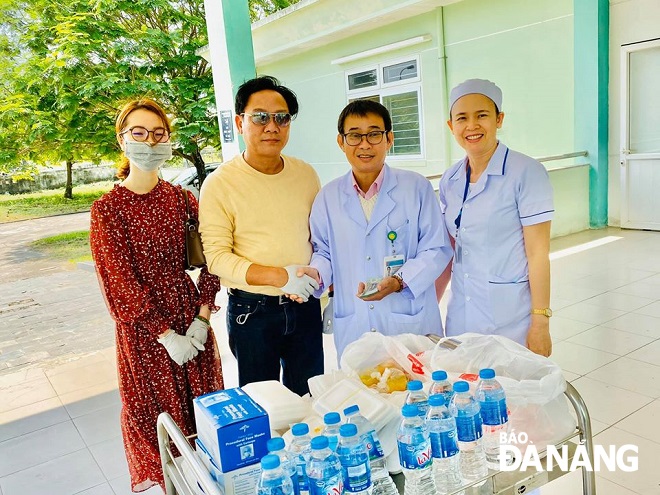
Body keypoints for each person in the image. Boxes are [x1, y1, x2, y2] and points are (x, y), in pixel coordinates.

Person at [90, 98, 224, 492]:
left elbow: (209, 259)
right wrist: (166, 336)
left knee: (204, 420)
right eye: (139, 133)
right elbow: (120, 285)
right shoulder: (108, 210)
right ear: (122, 140)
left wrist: (202, 318)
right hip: (146, 336)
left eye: (159, 133)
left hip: (190, 317)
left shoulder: (183, 200)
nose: (150, 141)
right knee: (161, 427)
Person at [198, 76, 323, 396]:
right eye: (260, 117)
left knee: (309, 399)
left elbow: (321, 238)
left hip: (304, 304)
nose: (272, 126)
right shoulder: (220, 184)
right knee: (263, 406)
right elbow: (216, 257)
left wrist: (326, 286)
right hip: (252, 314)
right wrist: (280, 276)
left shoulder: (305, 174)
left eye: (282, 118)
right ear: (240, 122)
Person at [303, 99, 453, 358]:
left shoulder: (416, 188)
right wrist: (315, 274)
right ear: (341, 142)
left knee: (419, 389)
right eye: (354, 135)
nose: (365, 144)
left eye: (374, 134)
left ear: (389, 139)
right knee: (365, 390)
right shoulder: (327, 197)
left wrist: (398, 281)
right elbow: (323, 251)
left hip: (409, 318)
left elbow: (437, 249)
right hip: (355, 320)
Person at [437, 79, 554, 357]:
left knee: (510, 394)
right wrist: (431, 305)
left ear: (499, 119)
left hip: (510, 316)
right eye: (462, 118)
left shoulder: (527, 172)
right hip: (462, 313)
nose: (472, 126)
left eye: (482, 115)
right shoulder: (450, 180)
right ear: (451, 126)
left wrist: (540, 322)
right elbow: (451, 248)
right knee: (464, 391)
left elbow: (538, 253)